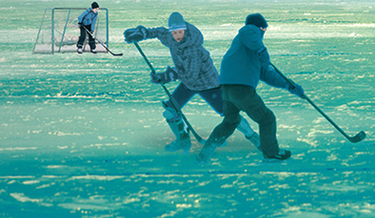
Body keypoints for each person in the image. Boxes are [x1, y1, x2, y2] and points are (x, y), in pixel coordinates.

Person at [125, 13, 262, 153]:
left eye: (180, 32)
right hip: (188, 83)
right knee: (170, 112)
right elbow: (160, 32)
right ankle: (183, 140)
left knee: (228, 113)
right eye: (174, 32)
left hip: (208, 84)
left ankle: (253, 137)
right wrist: (143, 34)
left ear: (184, 30)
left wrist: (168, 76)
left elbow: (191, 75)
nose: (178, 35)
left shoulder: (192, 48)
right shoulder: (171, 38)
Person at [197, 13, 303, 162]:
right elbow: (247, 30)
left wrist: (289, 85)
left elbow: (267, 74)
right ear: (259, 27)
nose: (263, 33)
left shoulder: (245, 50)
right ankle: (271, 153)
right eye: (263, 29)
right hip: (242, 90)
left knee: (230, 122)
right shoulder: (248, 32)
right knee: (267, 119)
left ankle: (205, 153)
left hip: (227, 90)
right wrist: (261, 50)